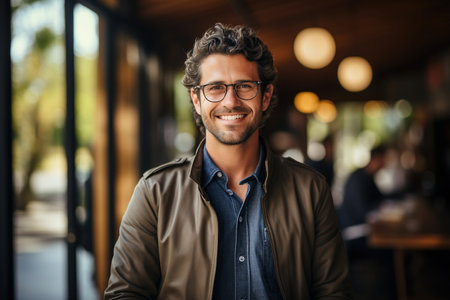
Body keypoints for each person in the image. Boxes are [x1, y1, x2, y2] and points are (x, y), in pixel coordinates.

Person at [105, 23, 352, 300]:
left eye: (244, 86)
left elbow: (334, 293)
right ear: (196, 99)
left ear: (266, 96)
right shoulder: (155, 193)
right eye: (215, 87)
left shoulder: (311, 190)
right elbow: (125, 294)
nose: (230, 101)